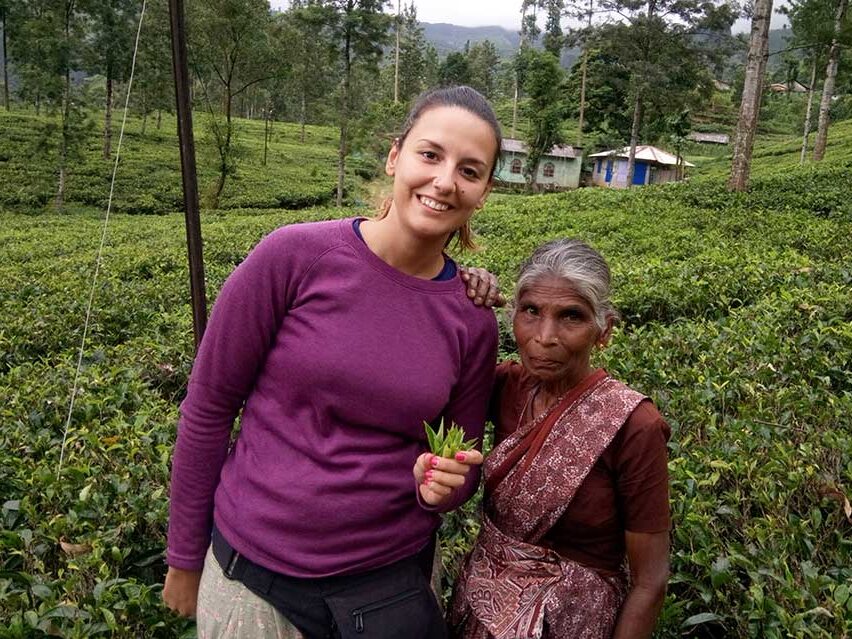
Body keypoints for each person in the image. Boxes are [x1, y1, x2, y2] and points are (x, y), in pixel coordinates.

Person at [162, 86, 506, 638]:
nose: (445, 181)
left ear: (484, 192)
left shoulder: (472, 320)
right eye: (430, 154)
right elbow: (208, 408)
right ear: (396, 156)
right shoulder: (292, 257)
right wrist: (184, 557)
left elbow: (458, 461)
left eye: (470, 170)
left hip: (389, 583)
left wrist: (442, 485)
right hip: (253, 577)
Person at [433, 239, 671, 639]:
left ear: (604, 330)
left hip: (571, 622)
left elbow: (651, 581)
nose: (545, 336)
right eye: (531, 312)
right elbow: (430, 375)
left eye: (571, 317)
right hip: (478, 609)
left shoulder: (634, 425)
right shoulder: (504, 386)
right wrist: (459, 289)